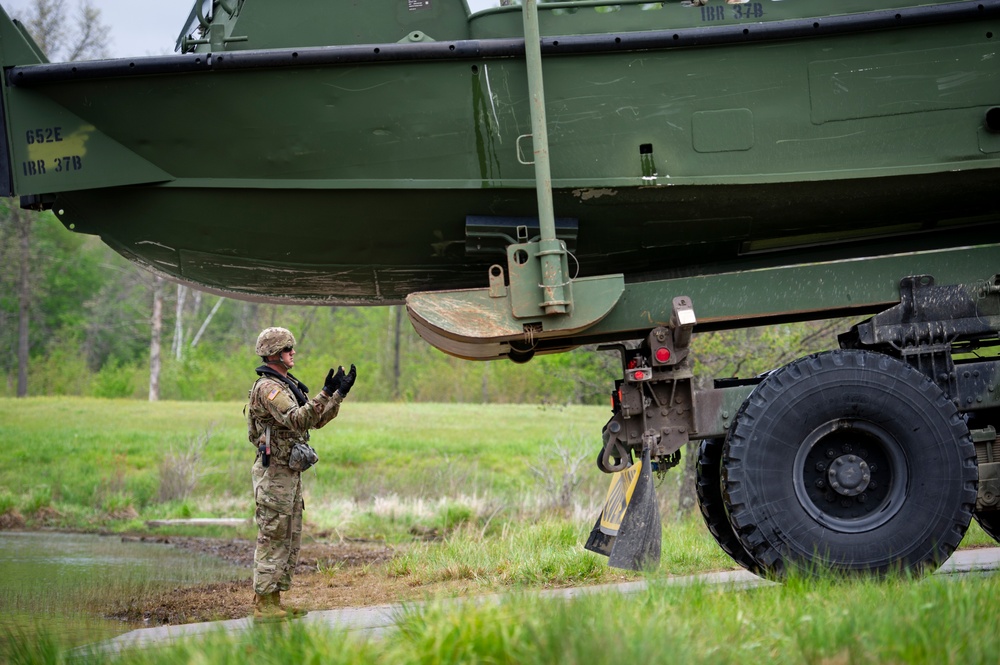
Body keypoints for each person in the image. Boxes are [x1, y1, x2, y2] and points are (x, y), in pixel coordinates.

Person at [247, 326, 356, 621]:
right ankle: (263, 604)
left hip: (288, 473)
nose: (292, 352)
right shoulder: (268, 388)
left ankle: (275, 600)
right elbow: (297, 419)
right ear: (273, 355)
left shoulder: (285, 384)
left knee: (289, 536)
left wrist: (337, 395)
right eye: (287, 348)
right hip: (275, 475)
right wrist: (323, 393)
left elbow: (313, 421)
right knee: (273, 535)